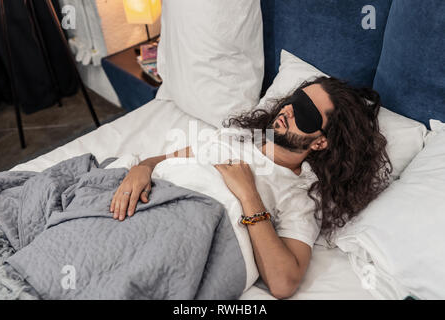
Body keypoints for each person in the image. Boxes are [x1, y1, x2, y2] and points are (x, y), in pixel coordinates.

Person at [110, 76, 392, 299]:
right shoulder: (237, 137)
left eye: (306, 114)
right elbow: (164, 160)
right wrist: (141, 168)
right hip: (139, 205)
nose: (289, 110)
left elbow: (283, 283)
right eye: (296, 100)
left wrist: (248, 193)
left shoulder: (300, 193)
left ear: (320, 142)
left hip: (179, 236)